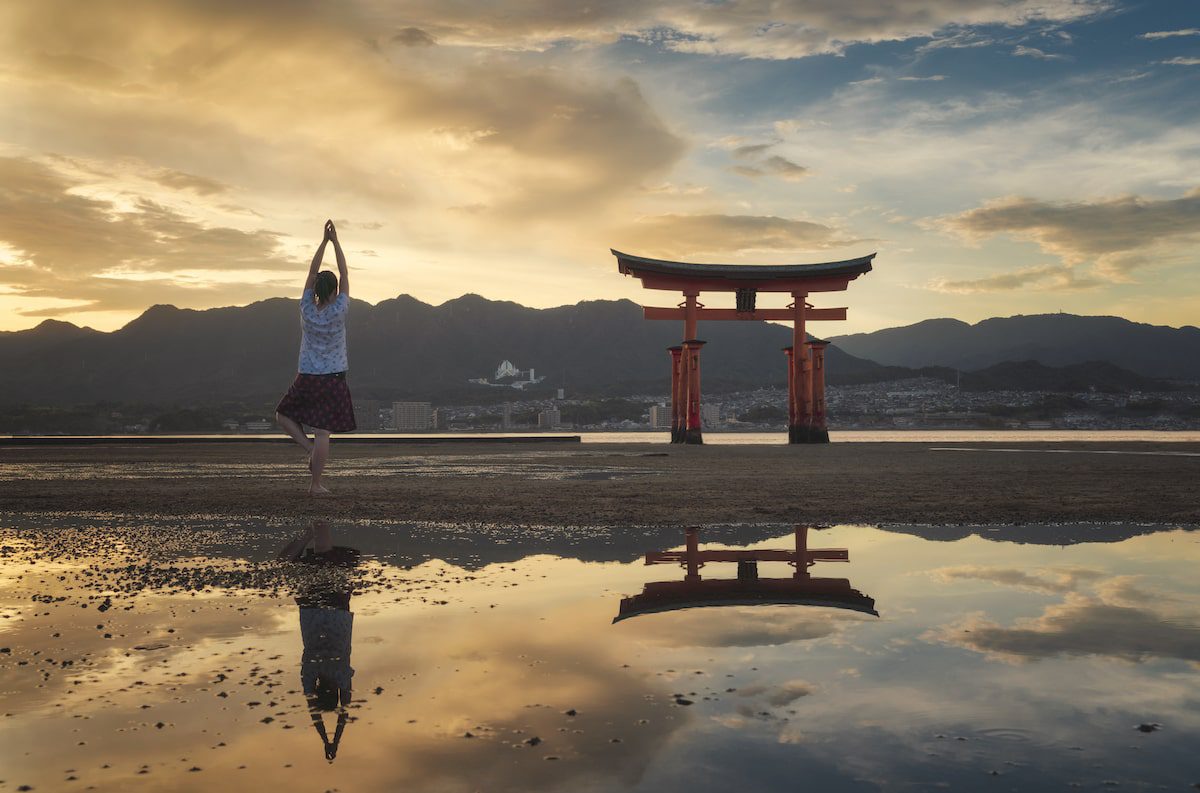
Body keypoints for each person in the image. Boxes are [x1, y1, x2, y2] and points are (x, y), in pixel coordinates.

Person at [275, 220, 355, 495]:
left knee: (282, 415)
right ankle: (315, 483)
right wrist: (335, 241)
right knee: (322, 433)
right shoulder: (340, 309)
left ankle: (309, 452)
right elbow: (344, 271)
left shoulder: (307, 309)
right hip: (332, 378)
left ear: (316, 292)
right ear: (334, 291)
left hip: (307, 376)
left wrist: (322, 242)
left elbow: (311, 273)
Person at [278, 520, 359, 762]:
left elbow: (343, 712)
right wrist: (326, 739)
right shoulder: (309, 672)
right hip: (311, 609)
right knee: (287, 563)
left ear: (334, 690)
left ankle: (318, 523)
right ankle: (311, 530)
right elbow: (313, 710)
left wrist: (334, 739)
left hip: (337, 610)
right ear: (316, 690)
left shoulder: (341, 674)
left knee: (327, 560)